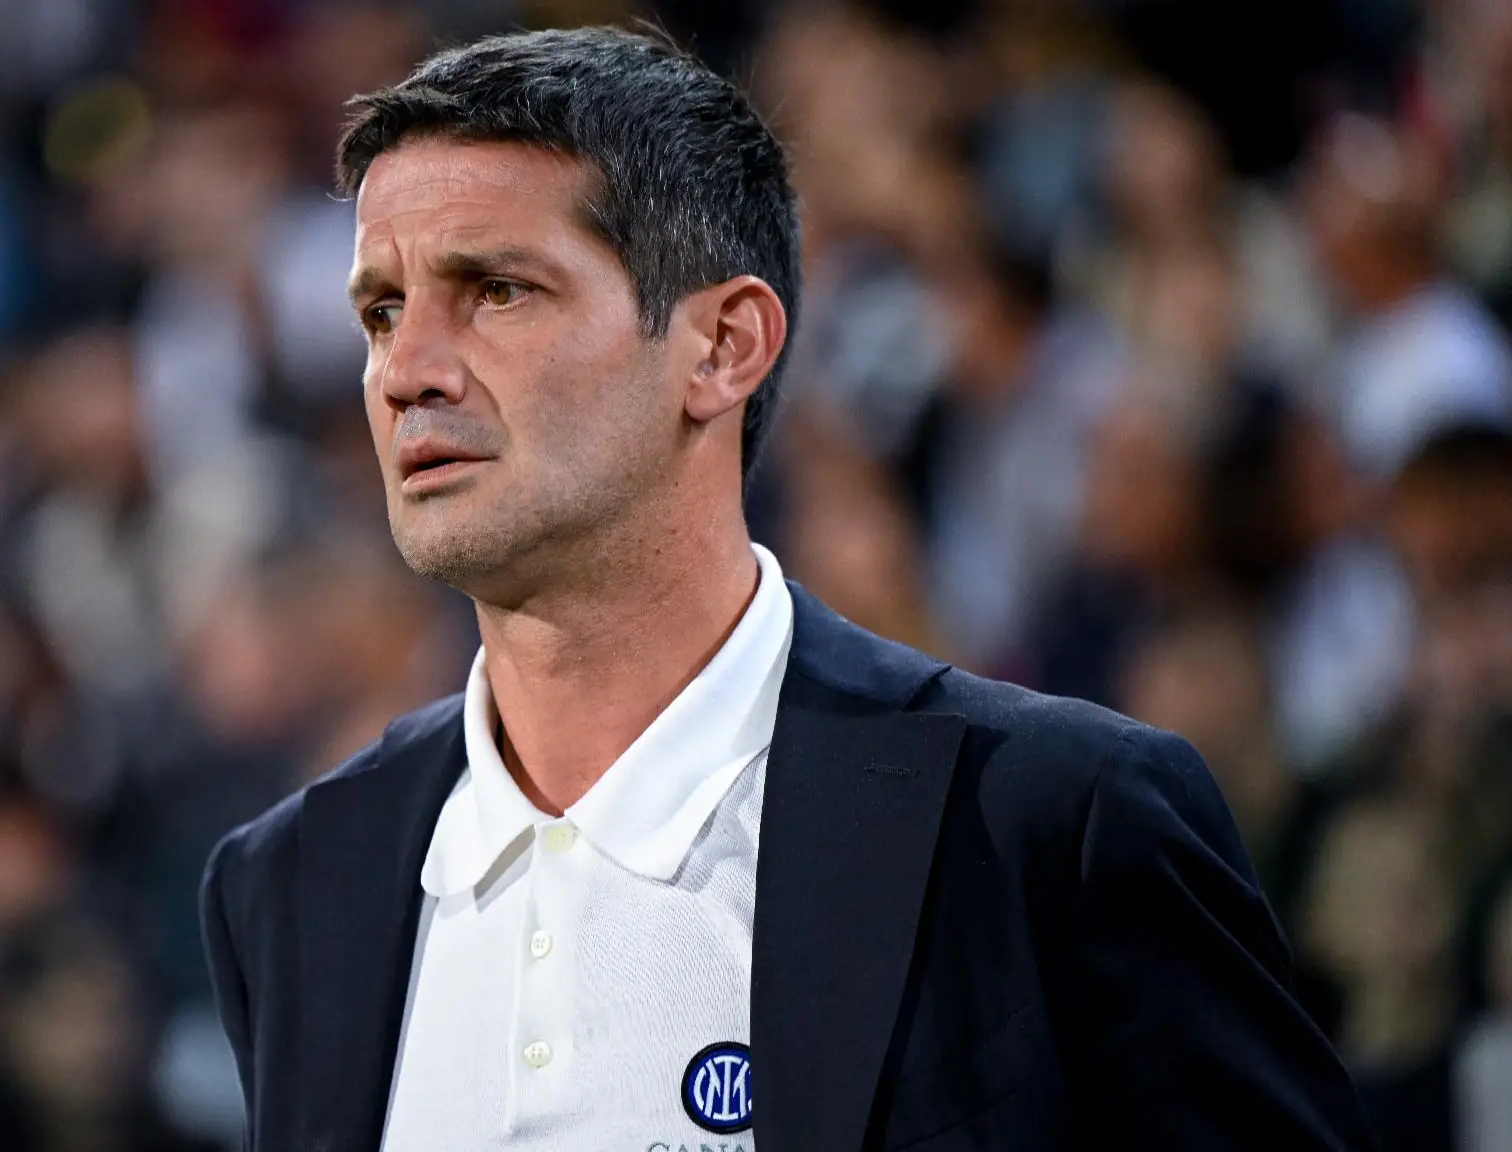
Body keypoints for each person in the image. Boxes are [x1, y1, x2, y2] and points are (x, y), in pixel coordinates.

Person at [198, 26, 1376, 1151]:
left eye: (496, 290)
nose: (403, 371)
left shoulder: (1053, 823)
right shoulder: (292, 885)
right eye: (382, 310)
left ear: (722, 347)